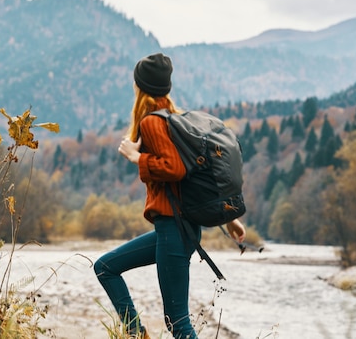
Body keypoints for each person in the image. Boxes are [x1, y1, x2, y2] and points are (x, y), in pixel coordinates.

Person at [94, 53, 246, 339]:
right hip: (178, 230)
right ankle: (137, 333)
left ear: (140, 87)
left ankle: (137, 333)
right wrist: (230, 220)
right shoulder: (175, 120)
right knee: (105, 267)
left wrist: (136, 157)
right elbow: (194, 176)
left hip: (174, 230)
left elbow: (174, 169)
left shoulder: (153, 122)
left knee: (177, 322)